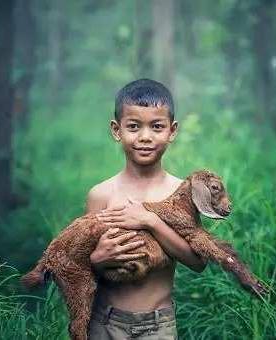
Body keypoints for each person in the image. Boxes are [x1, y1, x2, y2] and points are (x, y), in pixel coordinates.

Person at [85, 79, 206, 339]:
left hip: (157, 326)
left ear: (172, 131)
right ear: (116, 130)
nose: (145, 137)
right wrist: (97, 260)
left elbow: (198, 261)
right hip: (104, 322)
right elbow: (81, 264)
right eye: (133, 126)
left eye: (157, 126)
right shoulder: (101, 194)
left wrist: (151, 221)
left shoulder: (182, 193)